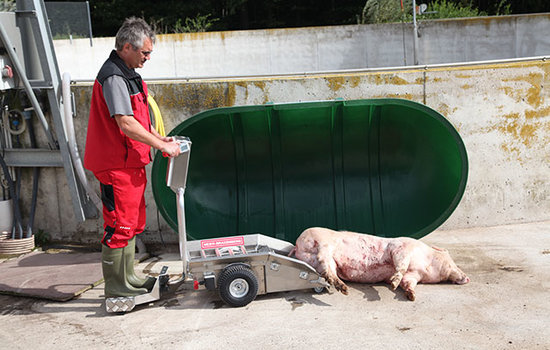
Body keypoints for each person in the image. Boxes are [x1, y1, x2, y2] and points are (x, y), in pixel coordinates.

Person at [84, 17, 181, 297]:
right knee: (119, 224)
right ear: (127, 47)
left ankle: (129, 277)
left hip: (131, 163)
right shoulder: (114, 77)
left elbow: (139, 119)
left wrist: (159, 138)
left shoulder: (129, 73)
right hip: (116, 165)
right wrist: (162, 147)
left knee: (132, 222)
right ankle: (116, 287)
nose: (148, 58)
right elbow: (125, 123)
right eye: (145, 53)